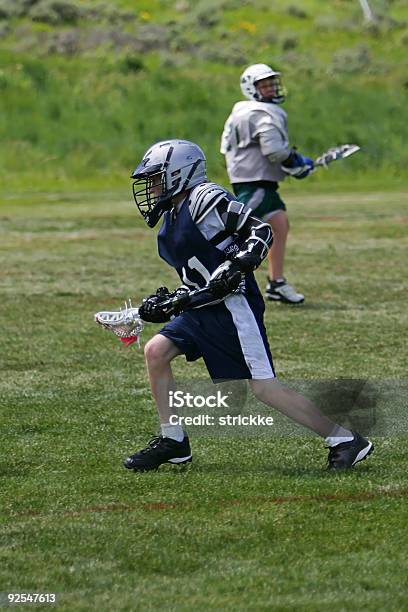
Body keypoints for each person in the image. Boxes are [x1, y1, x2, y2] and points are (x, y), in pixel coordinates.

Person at [123, 138, 373, 472]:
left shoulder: (205, 198)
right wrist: (170, 300)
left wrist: (240, 265)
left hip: (233, 306)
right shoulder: (171, 214)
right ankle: (174, 440)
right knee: (156, 351)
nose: (152, 186)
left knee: (266, 389)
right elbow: (198, 272)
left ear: (180, 174)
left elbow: (259, 230)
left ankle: (344, 439)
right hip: (203, 305)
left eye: (156, 177)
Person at [221, 63, 314, 304]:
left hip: (256, 179)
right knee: (233, 234)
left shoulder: (241, 111)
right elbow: (273, 149)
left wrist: (290, 164)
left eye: (272, 83)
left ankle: (276, 282)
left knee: (279, 225)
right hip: (255, 182)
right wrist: (294, 161)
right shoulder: (262, 112)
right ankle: (219, 280)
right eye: (264, 85)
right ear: (251, 88)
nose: (271, 88)